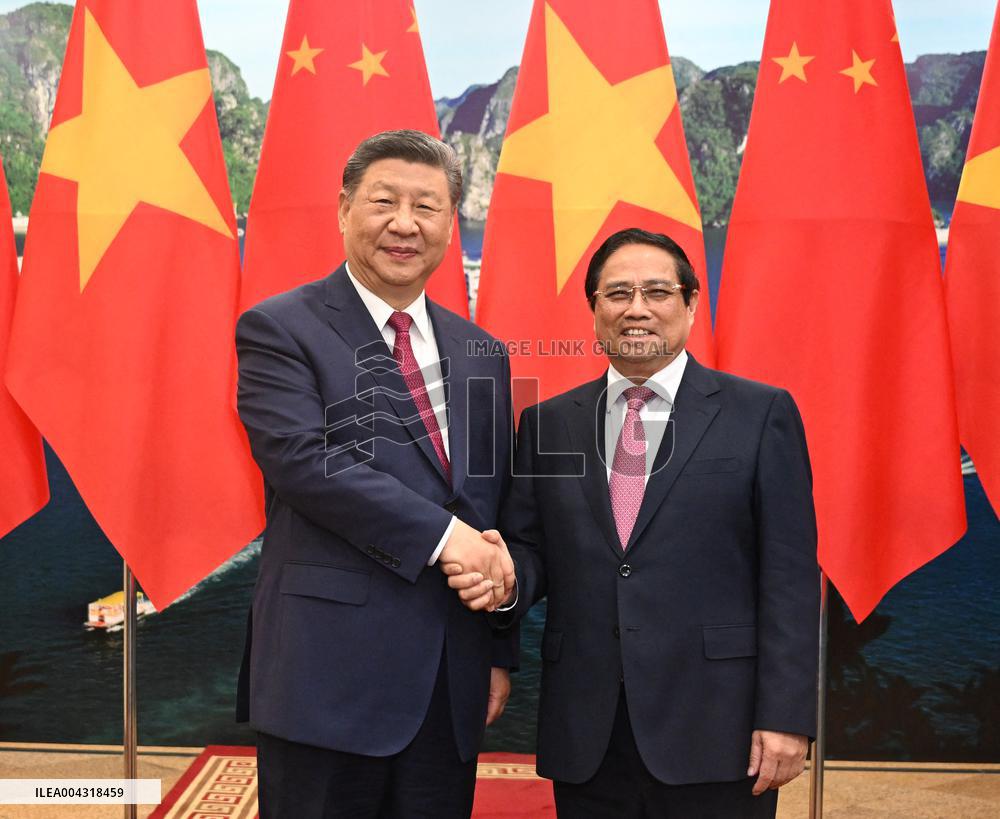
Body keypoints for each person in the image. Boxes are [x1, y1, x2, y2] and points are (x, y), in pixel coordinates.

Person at [449, 228, 819, 817]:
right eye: (617, 293)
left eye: (657, 291)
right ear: (594, 310)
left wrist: (786, 715)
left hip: (717, 727)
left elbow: (790, 576)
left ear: (691, 304)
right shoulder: (548, 425)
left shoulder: (760, 413)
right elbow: (529, 549)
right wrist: (504, 579)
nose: (637, 308)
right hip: (587, 728)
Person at [235, 129, 516, 819]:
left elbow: (493, 508)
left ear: (451, 222)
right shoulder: (280, 328)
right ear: (343, 209)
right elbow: (306, 462)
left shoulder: (483, 351)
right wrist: (448, 537)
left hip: (449, 682)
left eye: (427, 206)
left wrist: (499, 646)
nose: (404, 223)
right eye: (384, 201)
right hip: (325, 681)